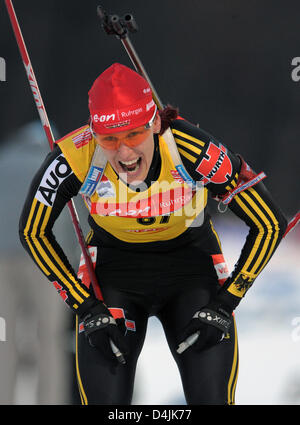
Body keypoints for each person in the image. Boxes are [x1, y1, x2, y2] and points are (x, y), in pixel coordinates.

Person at [19, 63, 287, 405]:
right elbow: (32, 231)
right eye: (110, 139)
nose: (125, 153)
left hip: (191, 269)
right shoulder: (75, 155)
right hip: (114, 275)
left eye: (134, 134)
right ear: (93, 134)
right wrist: (86, 308)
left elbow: (270, 223)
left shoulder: (192, 148)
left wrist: (225, 304)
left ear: (156, 122)